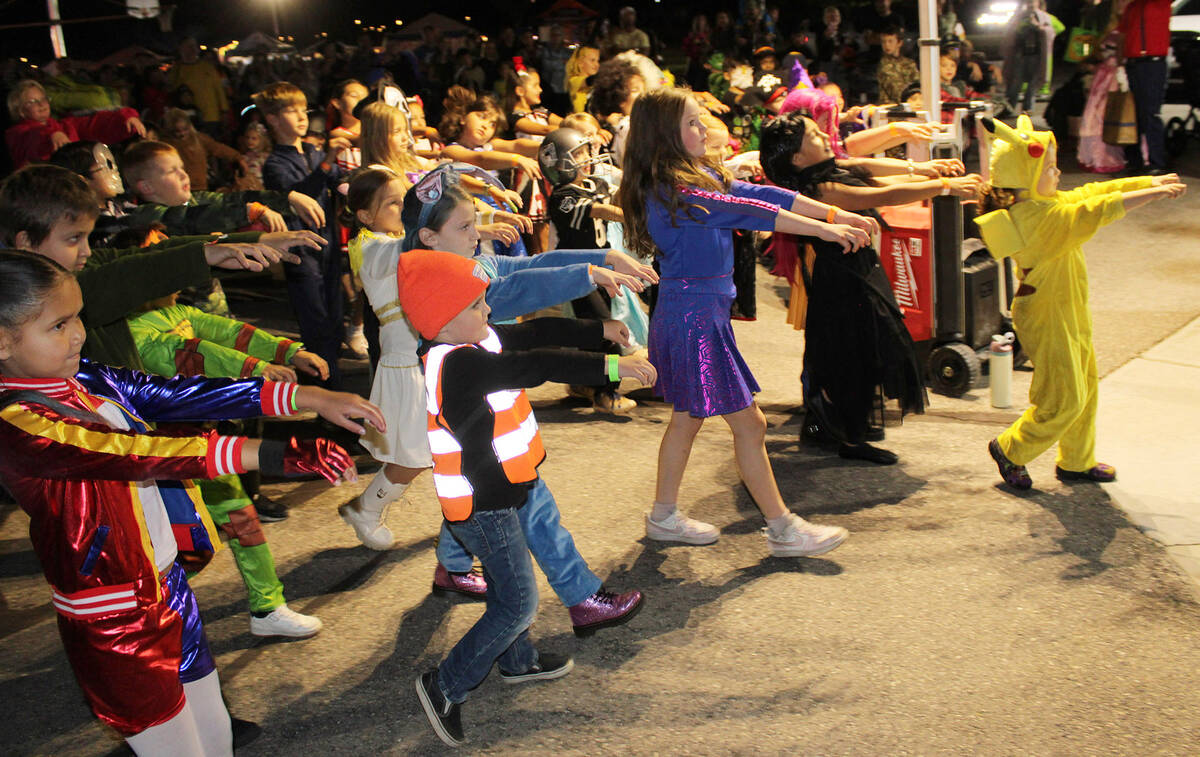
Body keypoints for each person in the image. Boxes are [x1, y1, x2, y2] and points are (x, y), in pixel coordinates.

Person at [0, 250, 382, 756]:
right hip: (113, 612)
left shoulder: (80, 379)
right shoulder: (16, 422)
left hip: (165, 584)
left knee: (216, 736)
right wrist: (267, 452)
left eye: (78, 319)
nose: (77, 335)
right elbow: (137, 452)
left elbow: (173, 393)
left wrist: (308, 399)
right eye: (58, 325)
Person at [341, 166, 648, 636]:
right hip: (454, 396)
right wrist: (591, 286)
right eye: (464, 228)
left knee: (472, 484)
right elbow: (518, 294)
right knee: (527, 502)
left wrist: (600, 258)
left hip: (473, 406)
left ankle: (453, 564)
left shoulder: (447, 266)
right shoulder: (441, 286)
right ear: (429, 236)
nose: (477, 235)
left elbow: (516, 270)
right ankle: (580, 595)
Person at [399, 249, 656, 746]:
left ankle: (518, 663)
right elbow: (537, 363)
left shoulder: (473, 338)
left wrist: (594, 331)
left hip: (506, 489)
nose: (489, 312)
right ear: (444, 320)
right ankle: (445, 684)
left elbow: (533, 335)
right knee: (517, 603)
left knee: (507, 585)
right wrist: (612, 368)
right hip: (483, 505)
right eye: (478, 305)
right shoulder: (459, 365)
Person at [615, 87, 872, 555]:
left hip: (696, 311)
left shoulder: (693, 177)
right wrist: (825, 229)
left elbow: (763, 192)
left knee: (689, 417)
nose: (703, 128)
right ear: (664, 133)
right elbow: (751, 211)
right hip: (693, 318)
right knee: (749, 425)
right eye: (692, 122)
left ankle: (664, 516)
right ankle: (782, 528)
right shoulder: (673, 191)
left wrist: (833, 212)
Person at [975, 116, 1186, 489]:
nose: (1058, 173)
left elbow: (1090, 195)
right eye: (1049, 167)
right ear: (1026, 177)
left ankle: (1076, 461)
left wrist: (1148, 182)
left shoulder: (1044, 204)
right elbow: (1093, 211)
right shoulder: (1039, 219)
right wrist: (1152, 193)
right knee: (1065, 397)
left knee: (1084, 386)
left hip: (1066, 307)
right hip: (1047, 315)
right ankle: (1011, 448)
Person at [759, 112, 959, 463]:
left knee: (851, 354)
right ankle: (850, 438)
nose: (824, 135)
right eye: (815, 135)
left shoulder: (825, 171)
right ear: (797, 158)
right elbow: (888, 194)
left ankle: (830, 425)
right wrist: (942, 186)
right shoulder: (820, 189)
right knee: (853, 357)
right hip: (842, 282)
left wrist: (927, 170)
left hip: (857, 273)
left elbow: (867, 169)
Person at [0, 163, 318, 374]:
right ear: (25, 241)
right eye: (73, 239)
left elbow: (154, 254)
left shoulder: (78, 267)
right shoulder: (21, 297)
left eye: (86, 237)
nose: (86, 251)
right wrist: (205, 257)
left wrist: (252, 239)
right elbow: (120, 279)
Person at [256, 82, 350, 388]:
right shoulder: (275, 163)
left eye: (302, 109)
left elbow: (339, 181)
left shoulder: (312, 151)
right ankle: (326, 396)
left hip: (330, 244)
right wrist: (327, 162)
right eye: (290, 110)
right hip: (300, 251)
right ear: (272, 119)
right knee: (317, 324)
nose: (301, 116)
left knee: (336, 320)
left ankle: (332, 388)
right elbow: (299, 197)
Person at [541, 126, 640, 412]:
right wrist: (632, 219)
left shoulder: (592, 184)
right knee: (608, 330)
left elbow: (616, 196)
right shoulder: (563, 196)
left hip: (601, 270)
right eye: (580, 153)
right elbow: (600, 211)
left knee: (591, 332)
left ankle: (584, 381)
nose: (588, 157)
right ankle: (607, 393)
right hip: (578, 274)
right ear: (560, 164)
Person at [5, 79, 145, 169]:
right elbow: (32, 139)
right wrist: (51, 134)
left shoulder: (64, 125)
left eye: (43, 99)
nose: (41, 104)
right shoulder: (16, 134)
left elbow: (93, 123)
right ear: (20, 110)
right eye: (32, 102)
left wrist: (124, 119)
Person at [1117, 0, 1172, 174]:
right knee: (1135, 114)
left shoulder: (1160, 3)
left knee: (1150, 112)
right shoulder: (1132, 8)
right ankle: (1135, 159)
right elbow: (1122, 35)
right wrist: (1119, 64)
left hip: (1153, 64)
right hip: (1133, 63)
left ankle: (1156, 161)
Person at [161, 108, 248, 193]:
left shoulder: (199, 139)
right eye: (178, 131)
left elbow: (219, 148)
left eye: (185, 129)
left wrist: (238, 157)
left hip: (200, 187)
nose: (182, 134)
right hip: (179, 188)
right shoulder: (167, 145)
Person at [168, 37, 230, 136]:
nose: (192, 49)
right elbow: (171, 89)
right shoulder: (177, 69)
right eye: (189, 46)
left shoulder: (207, 67)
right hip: (189, 116)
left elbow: (219, 90)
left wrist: (224, 110)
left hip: (211, 115)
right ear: (181, 49)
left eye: (194, 46)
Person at [876, 26, 918, 105]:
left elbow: (916, 84)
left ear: (899, 43)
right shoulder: (884, 64)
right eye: (883, 42)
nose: (886, 45)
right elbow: (894, 89)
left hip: (910, 104)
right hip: (891, 107)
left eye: (890, 41)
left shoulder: (909, 63)